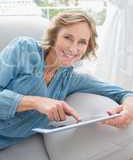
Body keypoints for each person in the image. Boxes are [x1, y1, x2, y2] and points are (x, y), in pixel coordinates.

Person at [0, 10, 133, 149]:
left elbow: (123, 93)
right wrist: (36, 102)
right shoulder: (24, 49)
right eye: (68, 37)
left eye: (82, 42)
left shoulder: (72, 79)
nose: (73, 48)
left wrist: (128, 110)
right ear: (54, 35)